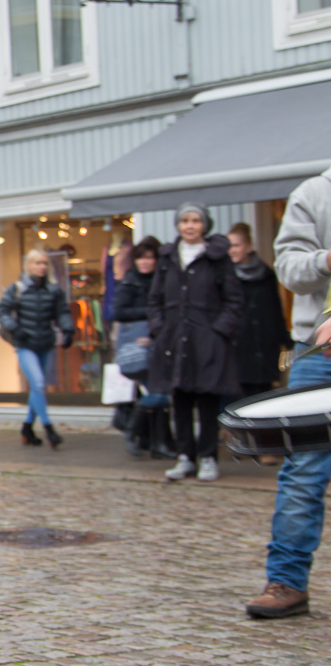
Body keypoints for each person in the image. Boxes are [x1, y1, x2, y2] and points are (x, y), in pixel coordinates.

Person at [249, 167, 331, 618]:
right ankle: (287, 581)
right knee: (304, 469)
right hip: (320, 351)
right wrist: (325, 261)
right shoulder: (315, 193)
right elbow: (289, 269)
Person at [148, 203, 244, 483]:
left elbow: (234, 299)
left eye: (195, 221)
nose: (190, 226)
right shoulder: (167, 258)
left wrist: (218, 331)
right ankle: (185, 457)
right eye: (185, 221)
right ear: (178, 225)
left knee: (207, 402)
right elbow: (154, 299)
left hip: (207, 340)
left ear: (204, 225)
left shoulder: (217, 258)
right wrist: (159, 328)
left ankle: (209, 457)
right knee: (179, 402)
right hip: (174, 339)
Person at [0, 250, 74, 449]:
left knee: (38, 387)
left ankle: (27, 428)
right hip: (25, 344)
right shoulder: (17, 289)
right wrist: (15, 329)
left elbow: (62, 312)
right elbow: (2, 312)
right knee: (38, 384)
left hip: (46, 344)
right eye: (37, 263)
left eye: (45, 263)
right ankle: (49, 429)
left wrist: (68, 329)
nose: (42, 267)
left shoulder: (53, 290)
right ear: (29, 265)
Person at [113, 236, 175, 459]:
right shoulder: (130, 280)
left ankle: (157, 444)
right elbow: (118, 312)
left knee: (161, 397)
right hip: (140, 346)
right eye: (141, 257)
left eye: (149, 258)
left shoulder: (164, 280)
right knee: (160, 395)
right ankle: (133, 430)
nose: (145, 262)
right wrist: (150, 314)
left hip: (162, 343)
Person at [229, 222, 292, 399]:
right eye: (229, 246)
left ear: (248, 247)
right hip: (238, 348)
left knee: (265, 397)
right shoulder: (225, 277)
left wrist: (285, 340)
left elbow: (275, 310)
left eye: (236, 245)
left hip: (265, 346)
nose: (231, 250)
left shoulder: (266, 274)